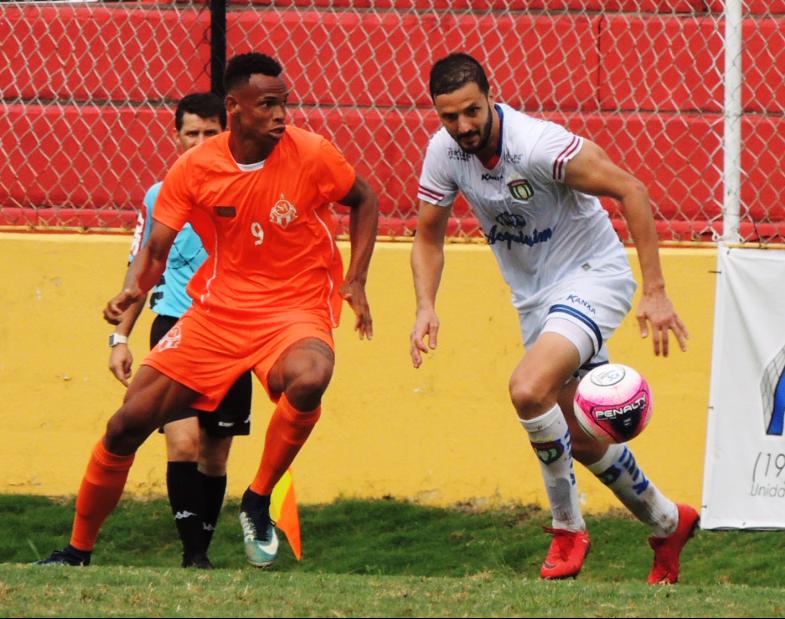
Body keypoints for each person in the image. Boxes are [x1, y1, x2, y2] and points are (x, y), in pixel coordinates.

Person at [38, 52, 378, 568]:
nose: (281, 115)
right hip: (220, 311)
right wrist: (134, 289)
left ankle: (258, 498)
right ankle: (77, 551)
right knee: (126, 424)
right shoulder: (195, 168)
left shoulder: (312, 153)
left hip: (295, 306)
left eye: (284, 103)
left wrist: (355, 279)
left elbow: (365, 198)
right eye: (268, 104)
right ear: (235, 107)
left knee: (310, 377)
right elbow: (155, 249)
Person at [410, 53, 698, 584]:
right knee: (584, 438)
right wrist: (426, 305)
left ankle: (567, 527)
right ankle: (668, 520)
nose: (463, 127)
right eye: (448, 117)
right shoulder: (444, 153)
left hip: (594, 277)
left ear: (490, 96)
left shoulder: (540, 145)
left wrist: (655, 291)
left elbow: (631, 189)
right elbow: (428, 235)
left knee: (526, 389)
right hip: (537, 300)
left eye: (472, 111)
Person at [108, 92, 253, 569]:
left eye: (211, 133)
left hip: (233, 332)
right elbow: (141, 268)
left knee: (215, 453)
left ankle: (203, 551)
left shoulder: (249, 188)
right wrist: (120, 338)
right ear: (177, 137)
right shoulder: (158, 196)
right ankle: (193, 555)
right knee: (183, 441)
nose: (200, 141)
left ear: (226, 134)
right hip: (175, 326)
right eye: (191, 132)